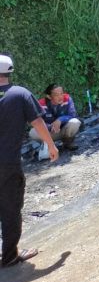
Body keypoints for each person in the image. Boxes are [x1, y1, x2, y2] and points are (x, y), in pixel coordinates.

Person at [0, 54, 58, 267]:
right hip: (6, 163)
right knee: (10, 207)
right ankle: (9, 256)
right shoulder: (20, 94)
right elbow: (37, 122)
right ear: (10, 71)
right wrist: (51, 145)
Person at [29, 84, 81, 151]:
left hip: (64, 129)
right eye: (56, 95)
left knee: (75, 122)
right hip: (50, 132)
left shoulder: (67, 99)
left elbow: (73, 115)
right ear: (49, 96)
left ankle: (68, 142)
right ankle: (49, 145)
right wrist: (51, 126)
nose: (60, 97)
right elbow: (37, 121)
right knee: (33, 132)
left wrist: (60, 120)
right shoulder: (41, 104)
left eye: (61, 93)